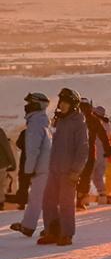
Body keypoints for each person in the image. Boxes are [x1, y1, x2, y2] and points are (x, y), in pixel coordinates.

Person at [38, 88, 88, 246]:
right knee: (48, 201)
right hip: (54, 168)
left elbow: (83, 149)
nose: (62, 105)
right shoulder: (59, 120)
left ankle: (66, 234)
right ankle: (52, 232)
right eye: (61, 102)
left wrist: (76, 170)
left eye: (65, 102)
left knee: (66, 203)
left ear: (73, 104)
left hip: (69, 171)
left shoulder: (78, 122)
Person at [11, 93, 51, 237]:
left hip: (40, 168)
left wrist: (28, 170)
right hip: (44, 167)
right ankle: (33, 226)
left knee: (37, 198)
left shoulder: (35, 123)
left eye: (29, 103)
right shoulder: (41, 120)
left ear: (36, 105)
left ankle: (31, 227)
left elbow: (33, 150)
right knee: (43, 198)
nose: (26, 106)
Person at [77, 98, 110, 209]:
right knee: (96, 177)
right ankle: (101, 196)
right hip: (99, 154)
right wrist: (108, 149)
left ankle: (82, 199)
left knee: (86, 176)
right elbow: (105, 137)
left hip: (91, 153)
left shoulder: (85, 119)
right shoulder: (104, 123)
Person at [0, 124, 15, 209]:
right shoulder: (0, 132)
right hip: (2, 164)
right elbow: (7, 148)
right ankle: (1, 203)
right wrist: (13, 163)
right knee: (1, 185)